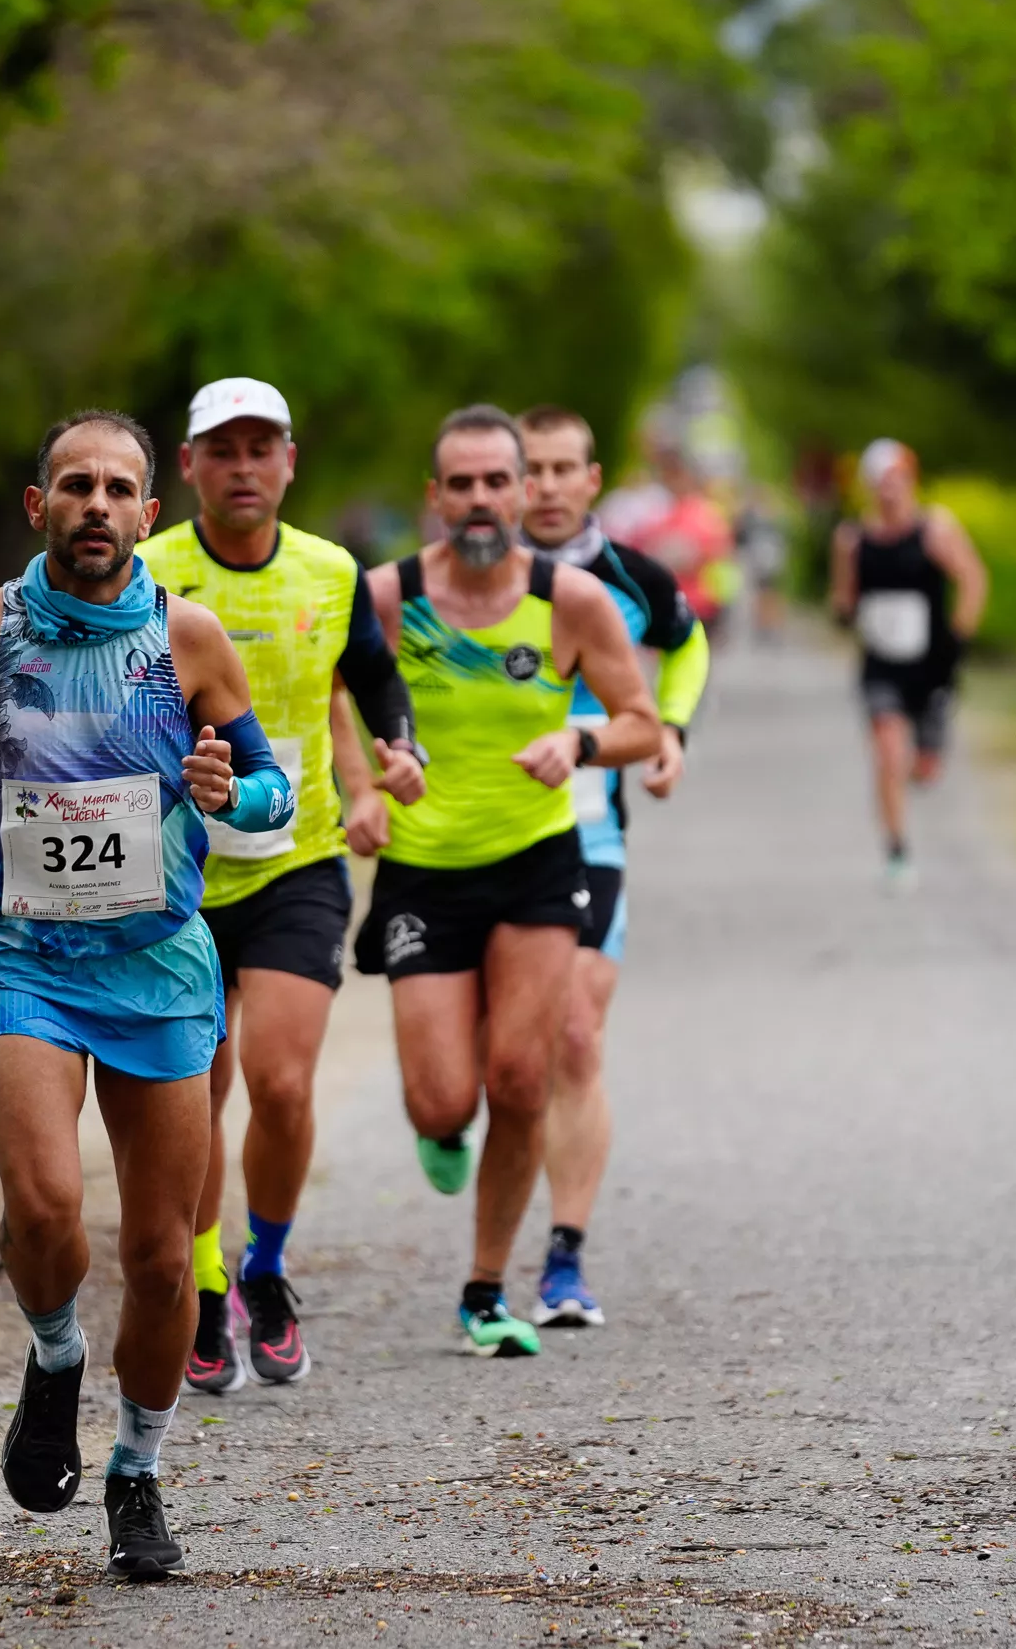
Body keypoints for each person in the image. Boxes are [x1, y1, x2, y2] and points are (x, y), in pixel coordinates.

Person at [0, 409, 293, 1581]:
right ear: (39, 506)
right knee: (46, 1204)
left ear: (150, 515)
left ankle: (139, 1469)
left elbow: (272, 790)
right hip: (27, 961)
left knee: (164, 1257)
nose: (98, 505)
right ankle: (55, 1352)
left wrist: (233, 793)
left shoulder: (188, 635)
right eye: (77, 486)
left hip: (158, 968)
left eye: (120, 488)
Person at [136, 379, 425, 1397]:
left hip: (297, 858)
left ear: (290, 463)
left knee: (285, 1079)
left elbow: (377, 675)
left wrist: (398, 746)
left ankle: (268, 1266)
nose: (244, 466)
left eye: (263, 448)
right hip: (175, 869)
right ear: (189, 468)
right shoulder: (148, 570)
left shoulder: (332, 570)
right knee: (195, 1089)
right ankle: (207, 1286)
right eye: (224, 450)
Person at [357, 405, 661, 1359]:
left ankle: (486, 1289)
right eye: (463, 484)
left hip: (536, 864)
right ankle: (443, 1129)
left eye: (499, 482)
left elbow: (641, 722)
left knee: (525, 1078)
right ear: (435, 498)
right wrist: (366, 778)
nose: (481, 500)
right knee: (443, 1101)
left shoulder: (573, 600)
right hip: (421, 870)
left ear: (527, 493)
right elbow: (329, 694)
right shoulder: (386, 597)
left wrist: (578, 740)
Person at [513, 406, 710, 1330]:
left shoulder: (633, 579)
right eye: (532, 469)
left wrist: (668, 729)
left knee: (578, 1036)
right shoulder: (459, 582)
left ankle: (564, 1257)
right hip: (473, 838)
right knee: (493, 1057)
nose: (546, 486)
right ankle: (448, 1122)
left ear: (593, 480)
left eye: (563, 469)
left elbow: (689, 641)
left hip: (590, 828)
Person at [829, 438, 989, 890]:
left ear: (911, 481)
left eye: (897, 482)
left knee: (923, 767)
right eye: (881, 484)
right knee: (887, 753)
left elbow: (973, 579)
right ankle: (897, 850)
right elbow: (844, 597)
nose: (890, 492)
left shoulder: (935, 530)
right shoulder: (852, 540)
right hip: (881, 665)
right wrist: (843, 613)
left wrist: (960, 636)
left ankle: (929, 749)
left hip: (932, 665)